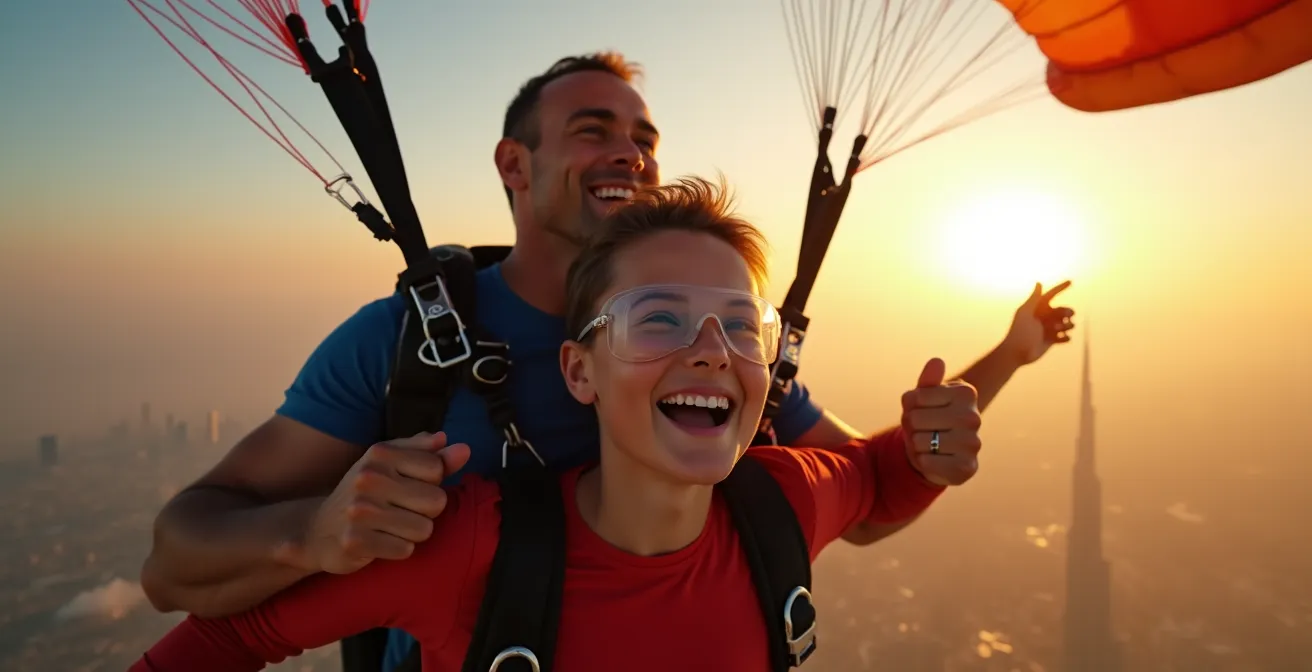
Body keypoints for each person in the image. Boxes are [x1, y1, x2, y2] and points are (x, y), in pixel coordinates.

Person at [138, 51, 1075, 670]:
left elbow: (867, 492)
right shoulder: (403, 346)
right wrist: (314, 534)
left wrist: (1002, 363)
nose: (631, 152)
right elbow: (178, 567)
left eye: (645, 140)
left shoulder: (717, 358)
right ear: (515, 164)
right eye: (595, 130)